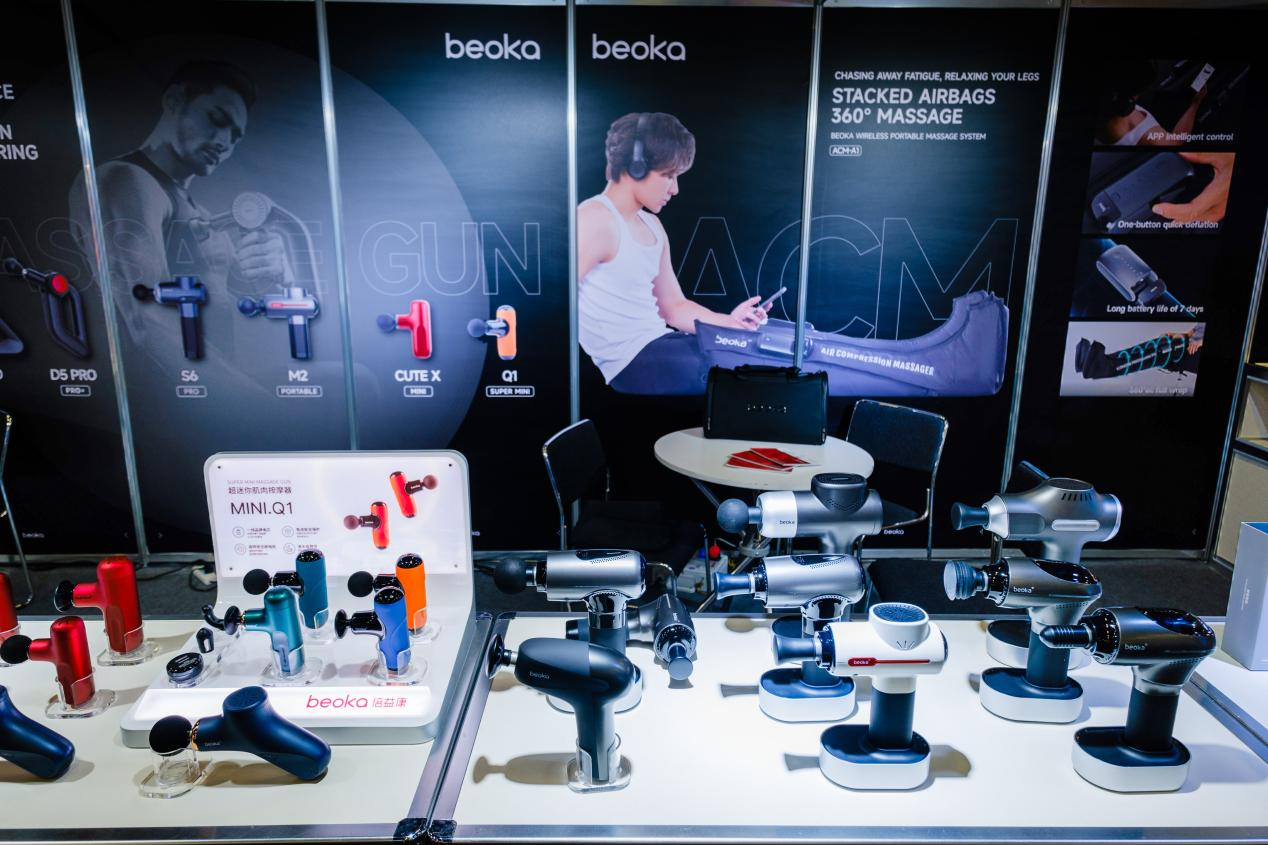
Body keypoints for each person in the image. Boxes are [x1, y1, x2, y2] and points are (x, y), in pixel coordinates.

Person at [69, 61, 290, 368]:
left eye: (235, 137)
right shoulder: (125, 179)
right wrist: (254, 398)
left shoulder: (201, 213)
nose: (224, 143)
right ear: (173, 100)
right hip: (165, 389)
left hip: (215, 381)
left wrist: (278, 274)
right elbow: (149, 324)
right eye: (217, 119)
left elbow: (253, 307)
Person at [577, 112, 768, 395]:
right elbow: (559, 302)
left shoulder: (653, 225)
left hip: (659, 343)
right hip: (630, 362)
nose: (675, 189)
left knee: (758, 348)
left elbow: (674, 307)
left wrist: (730, 324)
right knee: (743, 366)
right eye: (668, 176)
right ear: (636, 167)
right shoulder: (594, 218)